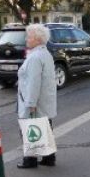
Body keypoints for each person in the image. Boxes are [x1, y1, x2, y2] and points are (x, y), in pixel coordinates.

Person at [16, 24, 57, 169]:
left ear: (38, 39)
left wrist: (31, 104)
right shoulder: (45, 54)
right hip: (45, 100)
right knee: (45, 128)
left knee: (29, 129)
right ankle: (48, 158)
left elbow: (34, 83)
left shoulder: (35, 57)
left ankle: (30, 161)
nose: (26, 38)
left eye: (29, 36)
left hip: (35, 101)